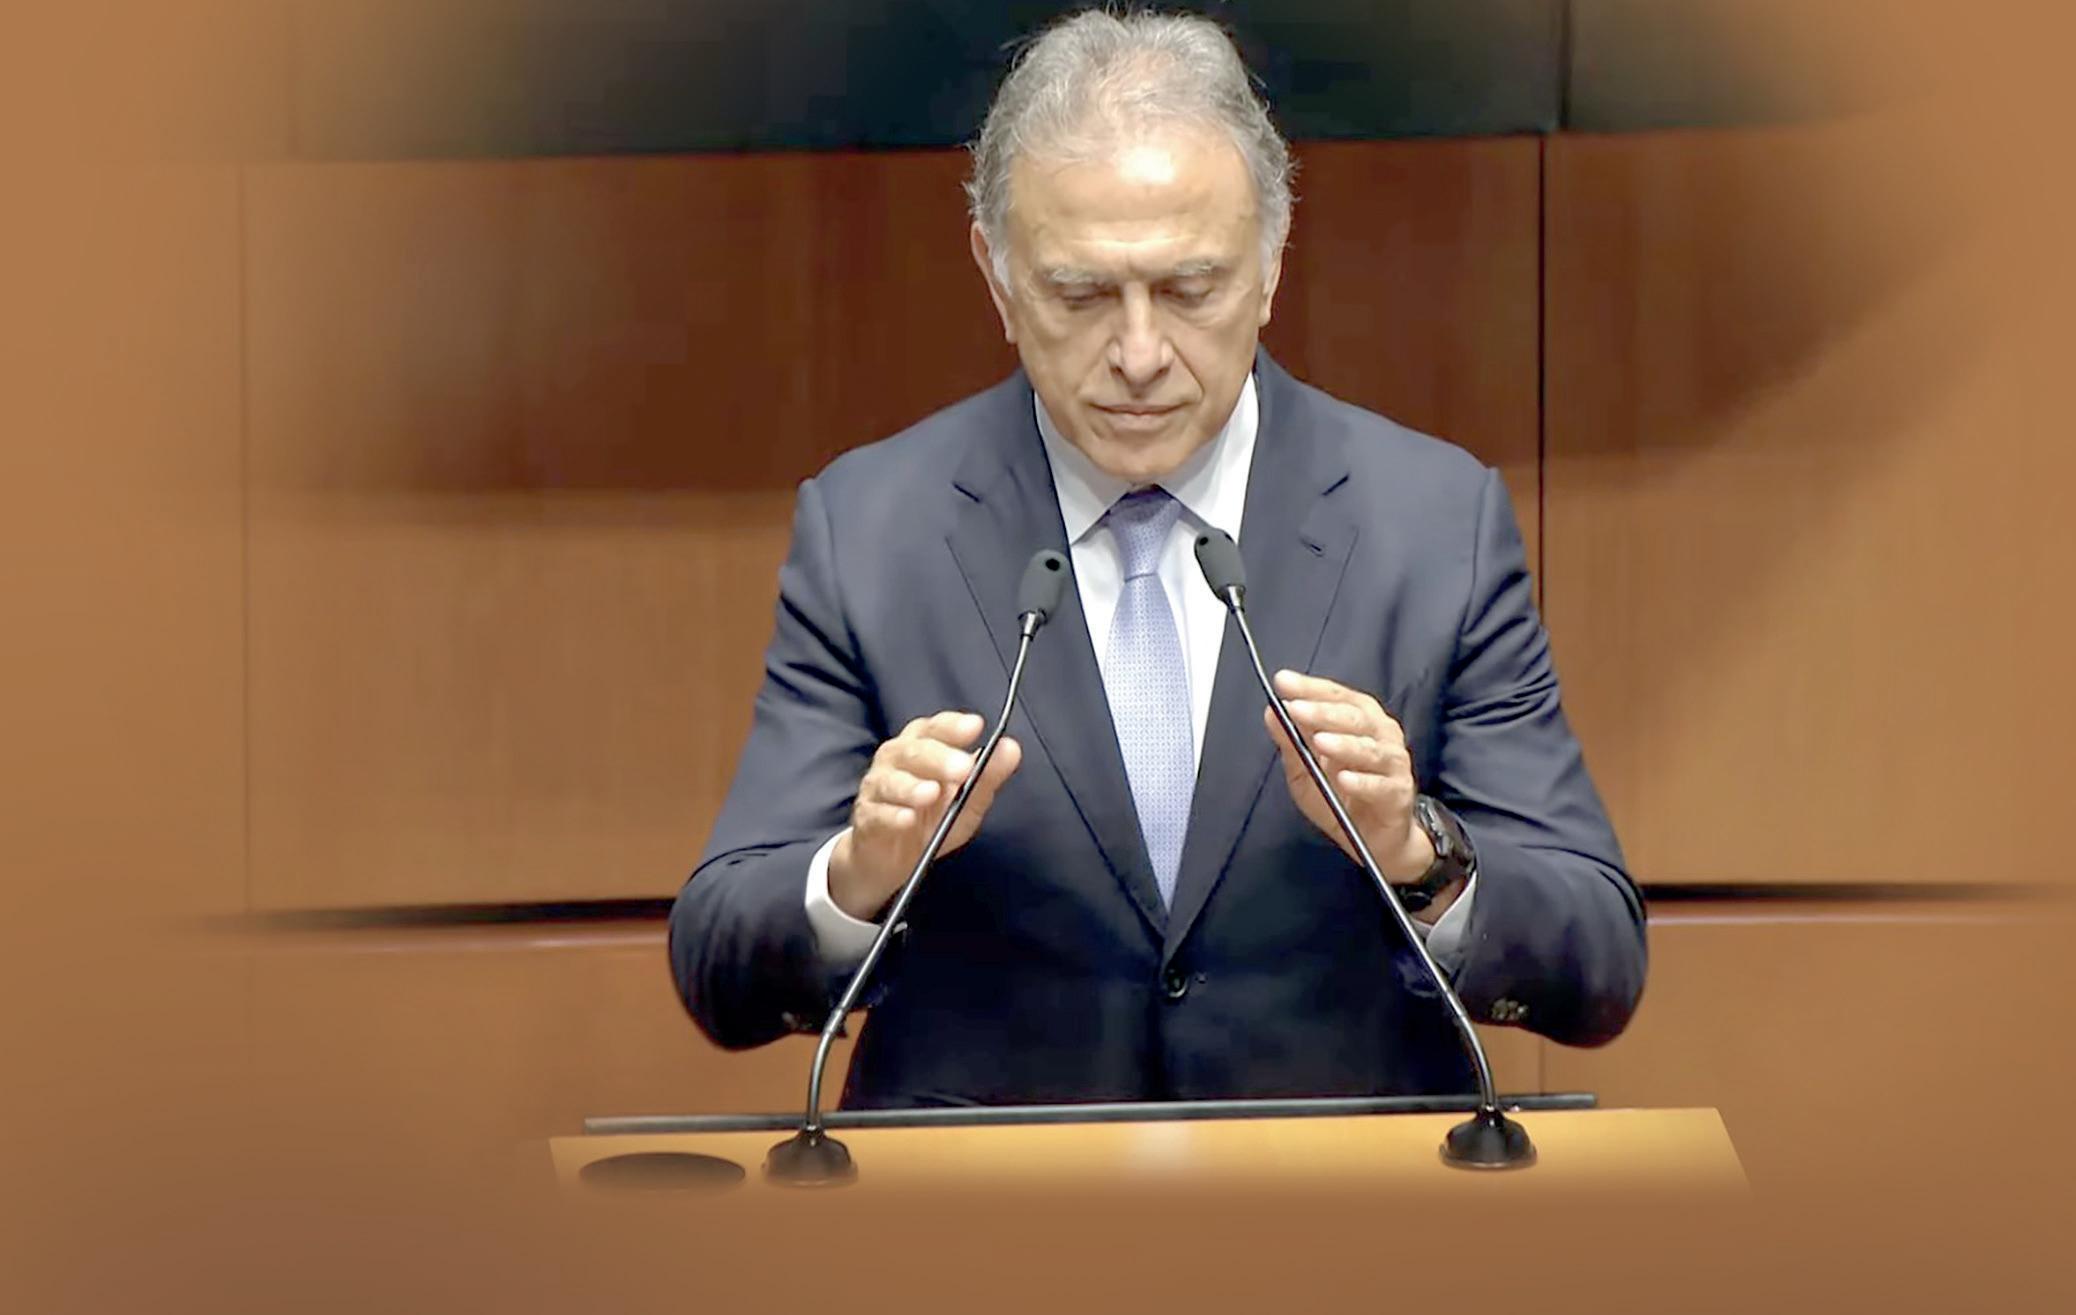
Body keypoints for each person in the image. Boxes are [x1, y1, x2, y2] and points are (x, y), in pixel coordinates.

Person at [668, 9, 1646, 1107]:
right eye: (1081, 294)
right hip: (991, 1204)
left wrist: (1417, 853)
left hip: (1333, 1196)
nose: (1139, 355)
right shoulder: (871, 529)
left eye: (1189, 289)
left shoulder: (1431, 520)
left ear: (1270, 264)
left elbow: (1598, 962)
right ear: (996, 275)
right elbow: (720, 965)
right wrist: (857, 875)